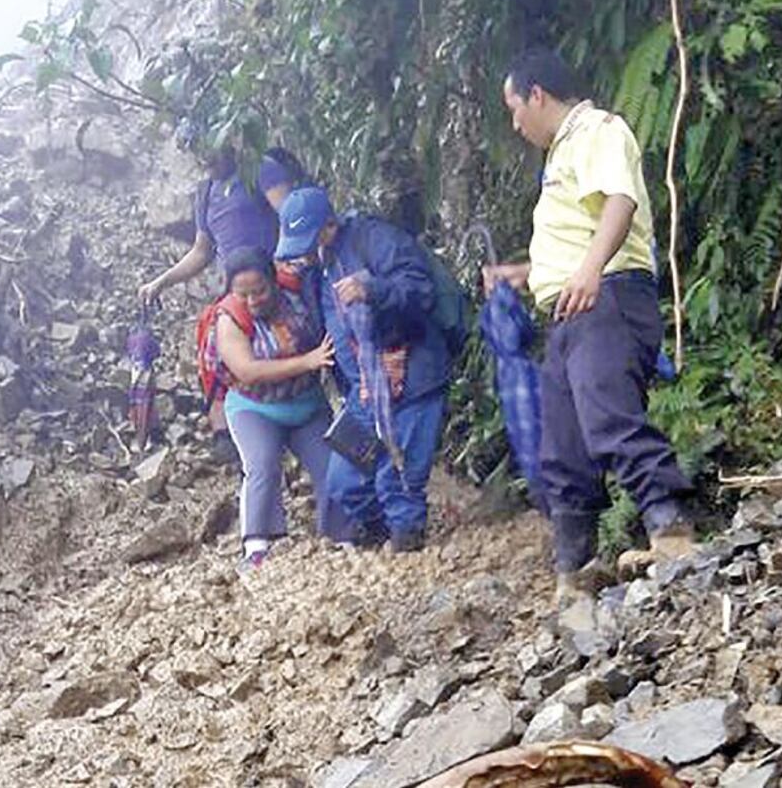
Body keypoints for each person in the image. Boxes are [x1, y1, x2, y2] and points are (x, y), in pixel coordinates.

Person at [484, 46, 697, 609]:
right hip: (571, 311)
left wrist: (589, 269)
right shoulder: (561, 155)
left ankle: (672, 533)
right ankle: (574, 572)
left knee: (610, 419)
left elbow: (621, 203)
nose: (515, 123)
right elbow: (579, 237)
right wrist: (526, 275)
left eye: (514, 108)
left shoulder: (599, 130)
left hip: (607, 299)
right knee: (564, 445)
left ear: (537, 94)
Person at [275, 187, 449, 553]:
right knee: (344, 483)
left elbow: (420, 290)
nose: (301, 254)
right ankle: (379, 536)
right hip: (364, 390)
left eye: (306, 241)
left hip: (411, 375)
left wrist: (373, 289)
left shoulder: (375, 239)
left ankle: (407, 548)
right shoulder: (317, 267)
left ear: (329, 226)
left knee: (398, 480)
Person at [138, 145, 278, 462]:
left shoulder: (259, 170)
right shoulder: (206, 193)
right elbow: (202, 251)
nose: (207, 164)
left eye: (212, 155)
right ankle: (223, 430)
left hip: (274, 279)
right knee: (210, 340)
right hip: (234, 292)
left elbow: (289, 213)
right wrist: (161, 282)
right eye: (202, 159)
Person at [210, 248, 340, 571]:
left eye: (260, 291)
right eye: (243, 294)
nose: (253, 300)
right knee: (262, 466)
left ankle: (339, 536)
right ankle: (255, 547)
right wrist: (307, 362)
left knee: (332, 468)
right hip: (255, 408)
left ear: (273, 281)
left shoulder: (297, 296)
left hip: (305, 404)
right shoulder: (228, 320)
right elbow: (248, 371)